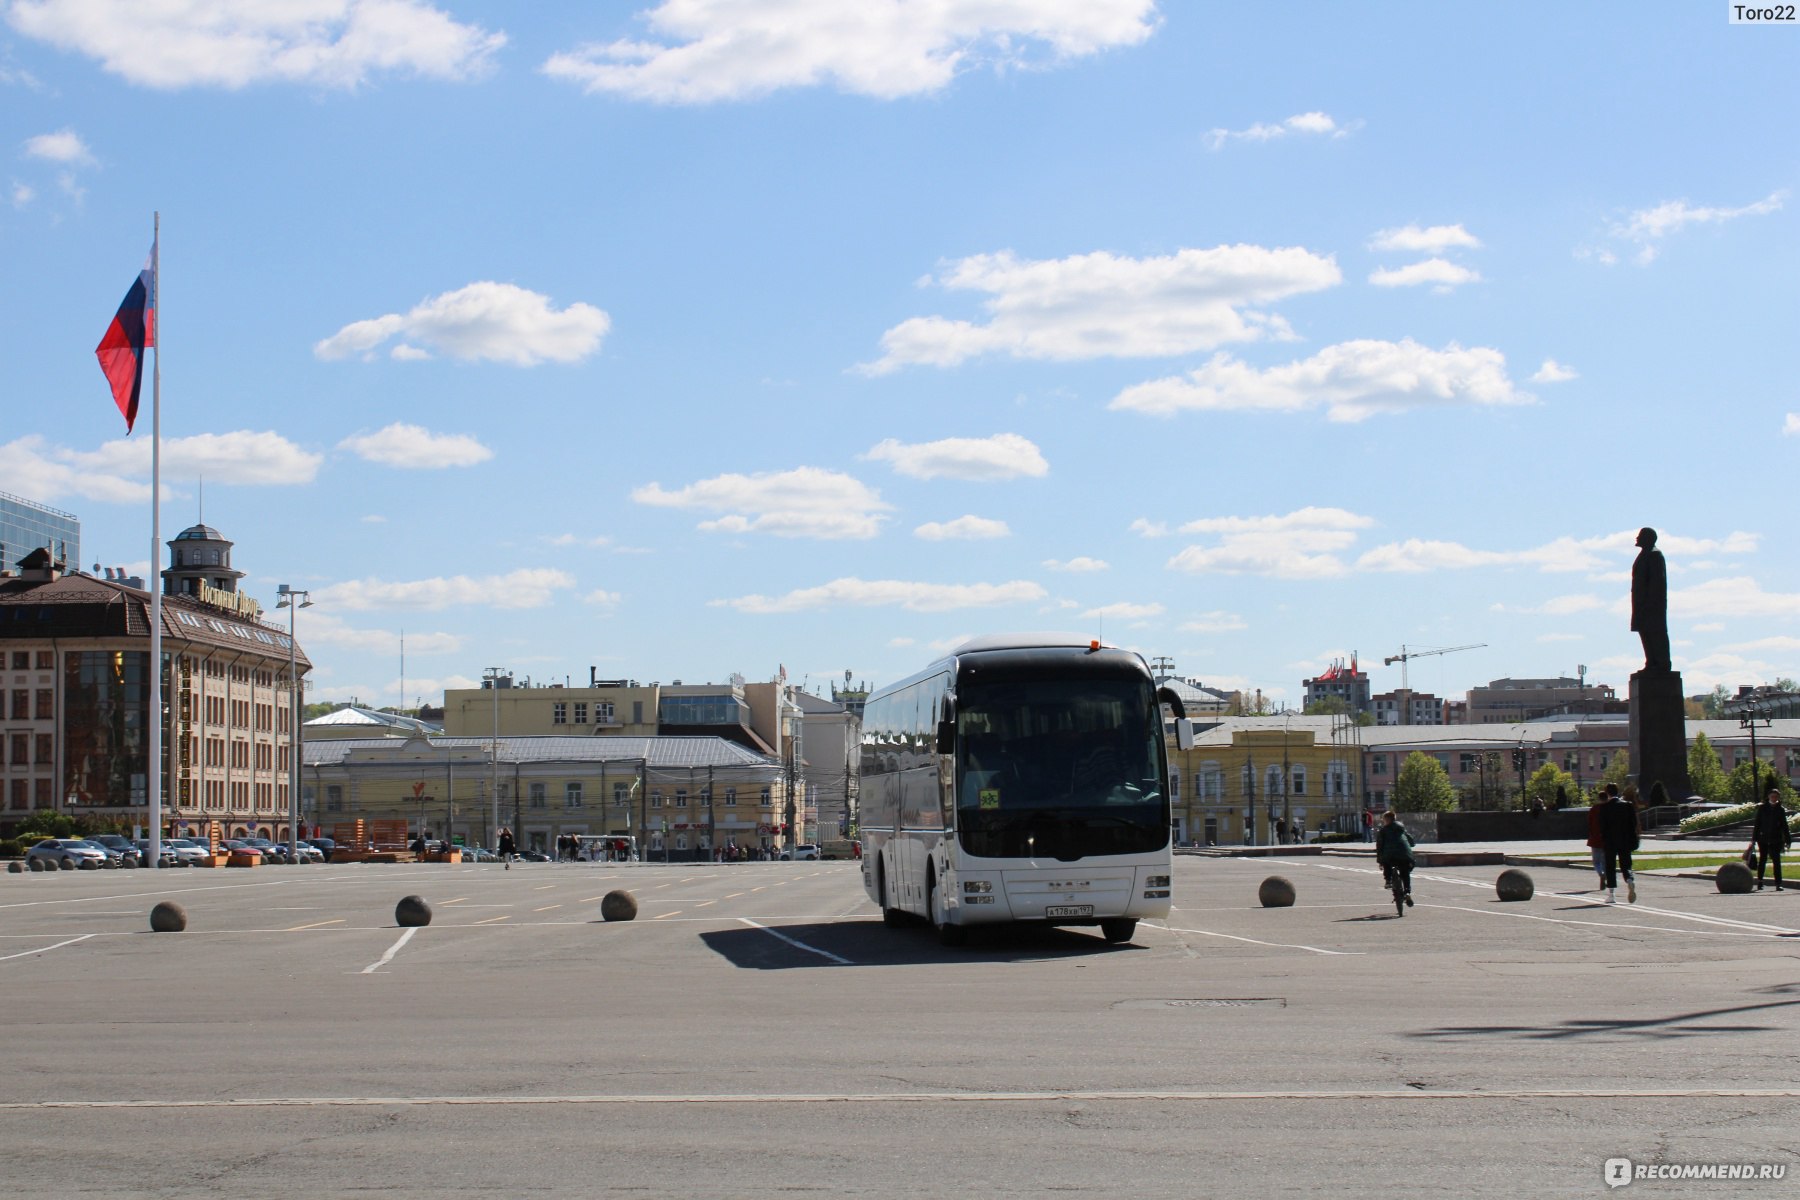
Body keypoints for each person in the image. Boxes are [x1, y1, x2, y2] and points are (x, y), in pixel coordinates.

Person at [1631, 527, 1671, 673]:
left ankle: (1661, 663)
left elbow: (1657, 582)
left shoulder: (1655, 555)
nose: (1637, 538)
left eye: (1640, 536)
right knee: (1645, 632)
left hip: (1652, 605)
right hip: (1641, 603)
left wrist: (1651, 603)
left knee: (1656, 633)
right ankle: (1651, 661)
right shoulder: (1644, 555)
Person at [1599, 782, 1641, 904]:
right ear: (1618, 791)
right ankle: (1629, 880)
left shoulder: (1604, 808)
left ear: (1607, 793)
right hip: (1625, 840)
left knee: (1610, 866)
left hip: (1610, 841)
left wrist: (1604, 840)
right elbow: (1633, 824)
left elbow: (1602, 827)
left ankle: (1611, 895)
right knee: (1626, 864)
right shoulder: (1627, 806)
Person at [1749, 786, 1792, 891]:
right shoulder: (1763, 808)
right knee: (1762, 860)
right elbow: (1757, 824)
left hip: (1776, 839)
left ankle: (1778, 883)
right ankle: (1760, 882)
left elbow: (1784, 826)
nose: (1774, 798)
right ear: (1768, 797)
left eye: (1776, 797)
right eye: (1772, 796)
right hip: (1763, 838)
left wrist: (1788, 840)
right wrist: (1754, 838)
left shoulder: (1780, 810)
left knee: (1776, 862)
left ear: (1778, 798)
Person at [1374, 809, 1415, 908]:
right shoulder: (1401, 828)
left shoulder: (1383, 830)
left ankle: (1388, 881)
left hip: (1390, 855)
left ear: (1387, 820)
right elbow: (1411, 842)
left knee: (1386, 862)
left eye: (1384, 819)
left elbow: (1379, 846)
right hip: (1405, 855)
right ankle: (1407, 892)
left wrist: (1379, 860)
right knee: (1405, 873)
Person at [1585, 790, 1607, 892]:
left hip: (1595, 838)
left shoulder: (1594, 809)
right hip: (1606, 839)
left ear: (1599, 798)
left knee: (1596, 862)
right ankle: (1605, 874)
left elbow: (1589, 823)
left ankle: (1601, 874)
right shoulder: (1609, 809)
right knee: (1605, 861)